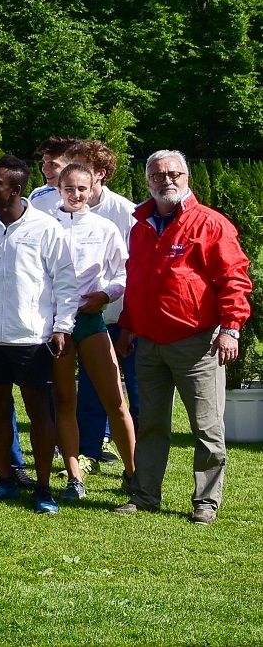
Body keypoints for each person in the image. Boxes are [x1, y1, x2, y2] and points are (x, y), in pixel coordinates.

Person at [115, 150, 253, 524]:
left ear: (186, 178)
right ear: (148, 181)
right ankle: (145, 496)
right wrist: (128, 325)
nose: (167, 181)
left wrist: (231, 328)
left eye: (174, 174)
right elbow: (137, 282)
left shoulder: (210, 223)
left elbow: (234, 279)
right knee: (151, 424)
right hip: (149, 343)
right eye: (158, 175)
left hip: (198, 343)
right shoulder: (140, 226)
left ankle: (206, 502)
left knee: (206, 427)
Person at [0, 157, 79, 514]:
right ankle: (4, 480)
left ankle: (43, 488)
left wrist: (62, 326)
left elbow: (65, 281)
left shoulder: (46, 227)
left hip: (32, 338)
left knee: (39, 411)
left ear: (15, 190)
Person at [49, 161, 134, 498]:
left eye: (82, 189)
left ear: (92, 188)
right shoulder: (45, 224)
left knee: (115, 399)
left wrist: (105, 295)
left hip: (91, 320)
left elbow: (123, 273)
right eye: (69, 188)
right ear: (59, 188)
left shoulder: (104, 227)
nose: (76, 194)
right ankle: (75, 477)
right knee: (64, 400)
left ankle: (134, 474)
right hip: (56, 323)